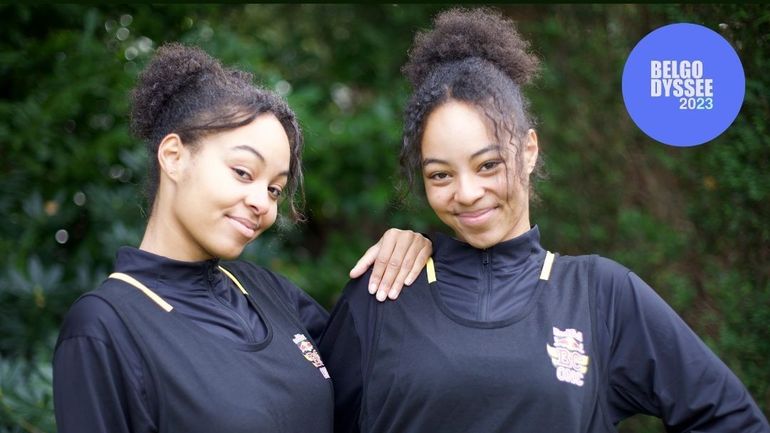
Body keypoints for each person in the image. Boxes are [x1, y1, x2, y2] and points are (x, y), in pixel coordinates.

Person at [319, 8, 770, 433]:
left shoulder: (601, 295)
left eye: (488, 165)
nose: (468, 192)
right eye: (441, 174)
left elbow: (732, 420)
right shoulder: (382, 292)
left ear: (529, 150)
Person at [52, 43, 432, 433]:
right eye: (243, 172)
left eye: (274, 189)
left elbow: (381, 392)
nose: (261, 203)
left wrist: (407, 251)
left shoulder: (269, 293)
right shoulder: (105, 327)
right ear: (173, 156)